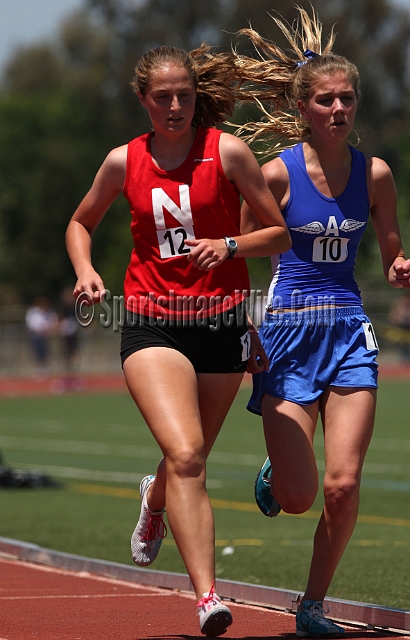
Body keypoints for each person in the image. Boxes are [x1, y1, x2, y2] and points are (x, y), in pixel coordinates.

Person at [65, 44, 290, 637]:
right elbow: (81, 221)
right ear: (143, 99)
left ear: (197, 98)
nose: (173, 106)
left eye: (183, 95)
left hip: (222, 325)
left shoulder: (229, 153)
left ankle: (154, 497)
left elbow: (279, 235)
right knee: (187, 454)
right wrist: (86, 271)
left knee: (188, 458)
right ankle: (207, 597)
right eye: (161, 97)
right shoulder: (123, 161)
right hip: (151, 321)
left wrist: (231, 247)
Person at [233, 6, 410, 638]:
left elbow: (391, 256)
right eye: (327, 100)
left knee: (342, 485)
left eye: (348, 100)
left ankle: (311, 606)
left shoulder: (376, 174)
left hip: (347, 333)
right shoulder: (275, 174)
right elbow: (241, 254)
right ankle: (280, 473)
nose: (339, 110)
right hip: (286, 331)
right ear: (305, 107)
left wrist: (400, 269)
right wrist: (246, 327)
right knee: (301, 494)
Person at [25, 296, 58, 375]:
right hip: (36, 336)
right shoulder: (33, 312)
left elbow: (53, 322)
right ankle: (39, 369)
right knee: (37, 352)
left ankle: (45, 368)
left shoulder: (49, 313)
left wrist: (49, 329)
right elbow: (31, 324)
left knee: (46, 352)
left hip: (46, 336)